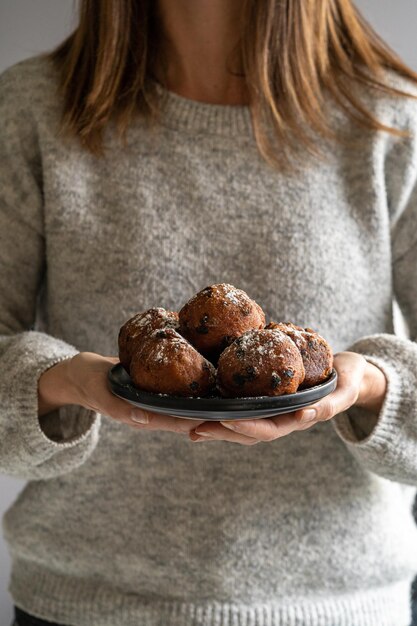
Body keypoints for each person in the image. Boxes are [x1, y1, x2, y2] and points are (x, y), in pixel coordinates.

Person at [1, 1, 417, 625]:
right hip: (86, 605)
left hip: (337, 607)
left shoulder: (390, 118)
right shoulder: (31, 109)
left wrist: (373, 388)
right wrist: (62, 383)